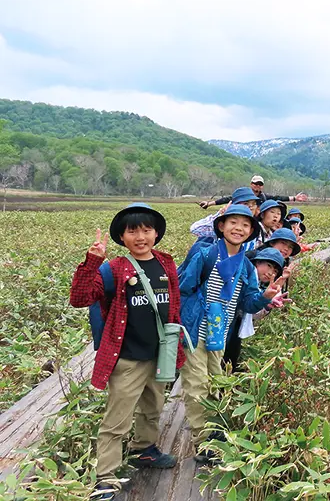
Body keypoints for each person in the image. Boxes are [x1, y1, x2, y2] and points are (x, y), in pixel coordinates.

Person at [69, 204, 184, 500]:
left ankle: (144, 449)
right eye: (133, 230)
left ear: (157, 233)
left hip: (160, 354)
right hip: (128, 358)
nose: (141, 236)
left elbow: (173, 307)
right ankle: (106, 476)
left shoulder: (166, 263)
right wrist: (92, 262)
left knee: (153, 408)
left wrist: (176, 347)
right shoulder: (114, 269)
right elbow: (80, 298)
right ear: (122, 236)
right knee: (117, 419)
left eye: (146, 229)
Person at [178, 204, 286, 464]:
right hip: (194, 332)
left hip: (219, 334)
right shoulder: (205, 256)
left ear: (251, 233)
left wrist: (264, 297)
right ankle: (203, 443)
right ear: (221, 226)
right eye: (233, 223)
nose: (239, 228)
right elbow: (183, 288)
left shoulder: (246, 268)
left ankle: (214, 432)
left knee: (216, 383)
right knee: (196, 387)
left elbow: (247, 303)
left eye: (245, 225)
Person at [198, 175, 307, 209]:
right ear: (251, 184)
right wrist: (209, 204)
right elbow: (227, 199)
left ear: (262, 186)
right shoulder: (243, 194)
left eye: (260, 184)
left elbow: (278, 197)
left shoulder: (264, 197)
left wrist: (294, 198)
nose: (257, 186)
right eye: (255, 184)